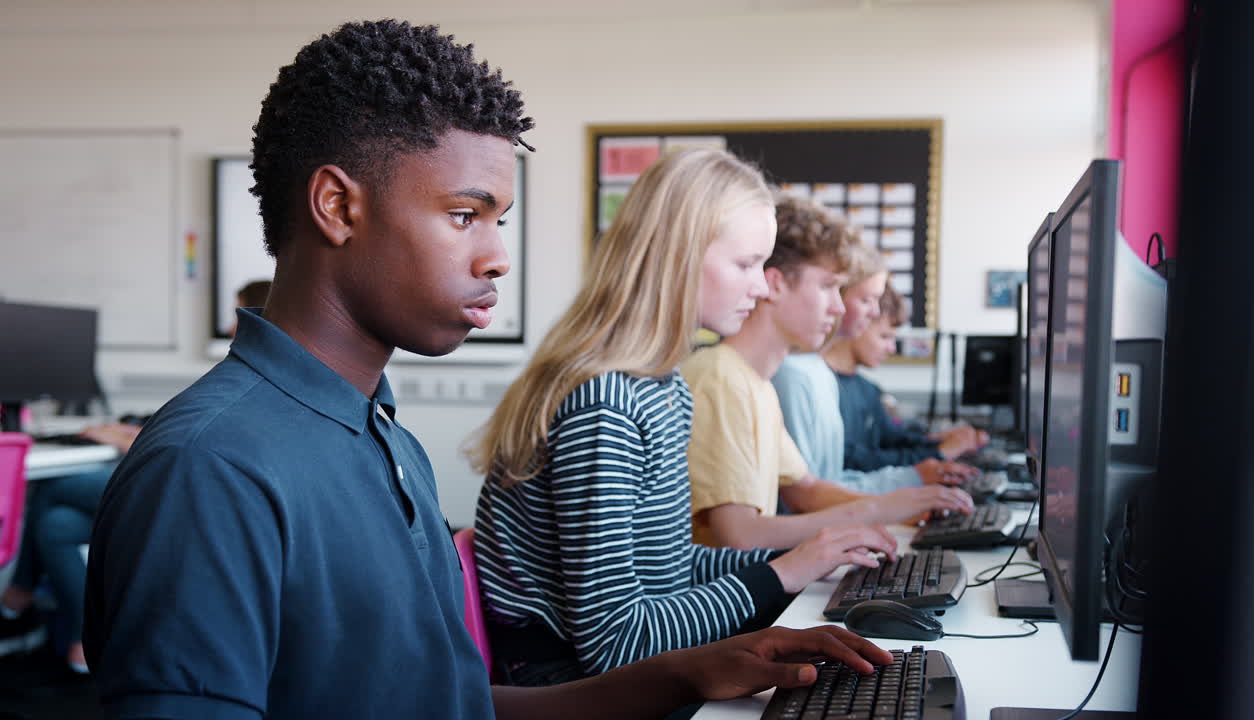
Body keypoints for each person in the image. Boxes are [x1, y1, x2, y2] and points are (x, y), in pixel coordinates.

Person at [84, 20, 892, 720]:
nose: (499, 257)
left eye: (498, 221)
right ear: (337, 206)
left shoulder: (382, 438)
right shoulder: (210, 470)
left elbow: (451, 704)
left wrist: (689, 668)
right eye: (464, 215)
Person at [469, 150, 897, 691]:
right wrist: (780, 575)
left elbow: (664, 571)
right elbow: (616, 643)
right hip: (572, 686)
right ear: (678, 256)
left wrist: (799, 560)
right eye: (746, 265)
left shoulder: (663, 386)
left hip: (616, 669)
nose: (763, 288)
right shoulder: (605, 404)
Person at [683, 195, 974, 552]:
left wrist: (900, 502)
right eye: (826, 286)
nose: (838, 307)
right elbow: (740, 537)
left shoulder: (756, 382)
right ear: (775, 285)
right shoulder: (721, 378)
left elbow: (806, 491)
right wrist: (876, 512)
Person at [771, 200, 978, 494]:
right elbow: (807, 497)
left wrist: (920, 471)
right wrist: (915, 477)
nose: (839, 306)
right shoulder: (792, 376)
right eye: (866, 300)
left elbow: (824, 485)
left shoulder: (815, 373)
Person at [0, 420, 141, 673]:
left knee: (51, 486)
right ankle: (85, 636)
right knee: (56, 525)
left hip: (167, 487)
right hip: (155, 478)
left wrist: (122, 440)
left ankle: (19, 590)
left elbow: (182, 448)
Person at [823, 281, 988, 471]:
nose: (892, 348)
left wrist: (937, 442)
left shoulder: (867, 388)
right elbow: (850, 460)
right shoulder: (823, 385)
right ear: (858, 322)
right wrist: (939, 454)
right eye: (884, 336)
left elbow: (891, 438)